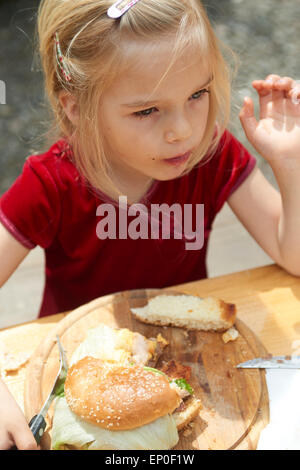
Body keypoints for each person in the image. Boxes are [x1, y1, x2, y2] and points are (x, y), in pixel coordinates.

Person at [0, 0, 300, 450]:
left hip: (191, 358)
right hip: (73, 368)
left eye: (197, 95)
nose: (183, 130)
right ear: (76, 107)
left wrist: (289, 165)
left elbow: (292, 255)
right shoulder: (51, 182)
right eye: (147, 111)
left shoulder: (211, 155)